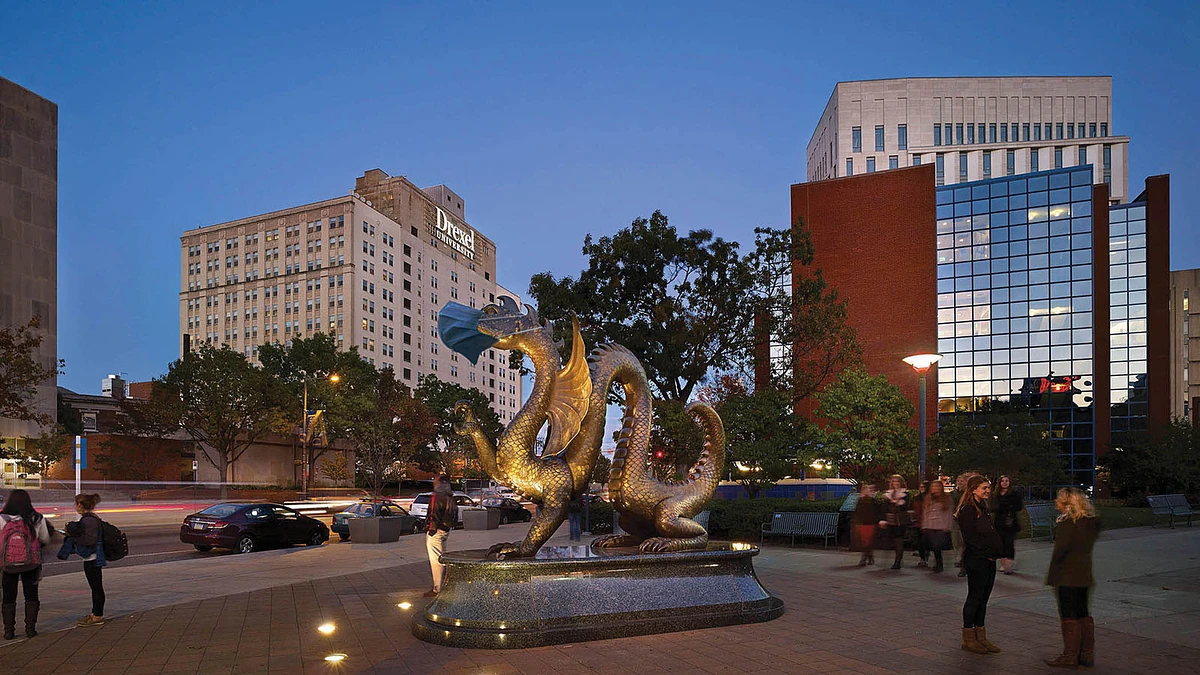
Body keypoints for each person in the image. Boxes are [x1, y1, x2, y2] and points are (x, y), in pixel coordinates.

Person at [1044, 487, 1100, 669]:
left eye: (1058, 499)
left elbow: (1060, 551)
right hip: (1084, 573)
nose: (1055, 502)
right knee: (1082, 613)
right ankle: (1086, 654)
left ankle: (1070, 655)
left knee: (1068, 614)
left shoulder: (1067, 524)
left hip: (1067, 575)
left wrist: (1052, 575)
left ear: (1067, 503)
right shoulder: (1090, 522)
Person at [954, 474, 1002, 655]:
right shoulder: (968, 510)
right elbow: (971, 538)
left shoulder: (984, 507)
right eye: (984, 488)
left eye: (988, 488)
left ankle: (980, 635)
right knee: (975, 597)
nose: (987, 491)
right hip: (977, 560)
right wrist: (987, 554)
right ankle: (968, 637)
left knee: (984, 598)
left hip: (988, 559)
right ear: (973, 489)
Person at [1, 489, 52, 639]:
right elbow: (45, 539)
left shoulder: (2, 518)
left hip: (7, 564)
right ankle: (30, 629)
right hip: (31, 563)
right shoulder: (36, 518)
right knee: (31, 595)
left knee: (8, 597)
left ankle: (9, 631)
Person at [71, 494, 107, 627]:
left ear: (80, 505)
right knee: (95, 586)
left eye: (76, 504)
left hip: (93, 558)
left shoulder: (88, 520)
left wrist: (73, 536)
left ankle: (97, 615)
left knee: (96, 587)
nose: (75, 507)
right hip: (92, 557)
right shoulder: (89, 519)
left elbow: (89, 540)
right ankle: (95, 613)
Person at [424, 475, 456, 598]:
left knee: (436, 561)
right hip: (445, 530)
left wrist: (431, 530)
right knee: (441, 558)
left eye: (435, 481)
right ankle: (443, 584)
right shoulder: (450, 497)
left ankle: (437, 588)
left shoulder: (436, 497)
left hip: (436, 531)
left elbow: (433, 514)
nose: (433, 483)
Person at [992, 475, 1024, 574]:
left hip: (1010, 522)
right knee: (1000, 544)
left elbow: (1019, 507)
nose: (1005, 483)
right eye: (1002, 481)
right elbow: (992, 507)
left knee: (1009, 543)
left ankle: (1009, 565)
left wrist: (1010, 508)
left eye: (1007, 481)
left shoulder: (1014, 494)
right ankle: (1003, 563)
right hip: (999, 522)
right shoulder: (996, 495)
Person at [920, 480, 954, 573]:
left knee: (937, 546)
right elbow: (925, 512)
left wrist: (947, 526)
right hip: (931, 525)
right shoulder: (928, 498)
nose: (935, 488)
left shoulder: (946, 498)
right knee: (933, 547)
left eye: (937, 486)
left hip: (941, 525)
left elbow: (949, 513)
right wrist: (924, 525)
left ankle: (939, 564)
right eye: (933, 486)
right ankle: (937, 562)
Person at [950, 472, 979, 577]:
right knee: (955, 540)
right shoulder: (954, 493)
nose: (960, 483)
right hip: (956, 519)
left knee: (964, 543)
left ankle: (963, 566)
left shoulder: (969, 494)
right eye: (958, 481)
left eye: (962, 481)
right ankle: (959, 558)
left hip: (967, 521)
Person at [881, 474, 911, 569]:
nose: (895, 483)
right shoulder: (888, 494)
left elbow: (907, 507)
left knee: (898, 540)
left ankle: (897, 561)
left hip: (900, 521)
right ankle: (898, 558)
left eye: (897, 481)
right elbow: (884, 508)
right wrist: (882, 519)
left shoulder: (905, 494)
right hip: (890, 520)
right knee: (892, 540)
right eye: (894, 481)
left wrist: (899, 503)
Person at [851, 483, 879, 566]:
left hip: (870, 523)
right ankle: (870, 556)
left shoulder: (873, 501)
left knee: (867, 541)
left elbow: (875, 511)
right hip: (861, 523)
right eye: (864, 489)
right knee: (862, 542)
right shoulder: (861, 500)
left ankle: (864, 558)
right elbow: (857, 511)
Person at [913, 481, 930, 567]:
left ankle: (926, 556)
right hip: (918, 522)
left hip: (927, 522)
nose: (921, 488)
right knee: (919, 542)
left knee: (926, 541)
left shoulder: (930, 498)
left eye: (923, 487)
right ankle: (922, 558)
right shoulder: (916, 498)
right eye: (920, 487)